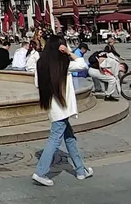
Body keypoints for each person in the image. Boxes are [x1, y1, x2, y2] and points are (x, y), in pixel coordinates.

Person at [32, 35, 92, 186]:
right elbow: (82, 64)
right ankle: (40, 172)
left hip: (53, 106)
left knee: (69, 138)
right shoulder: (63, 63)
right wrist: (69, 52)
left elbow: (37, 84)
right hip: (62, 108)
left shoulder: (41, 63)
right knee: (55, 139)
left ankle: (80, 170)